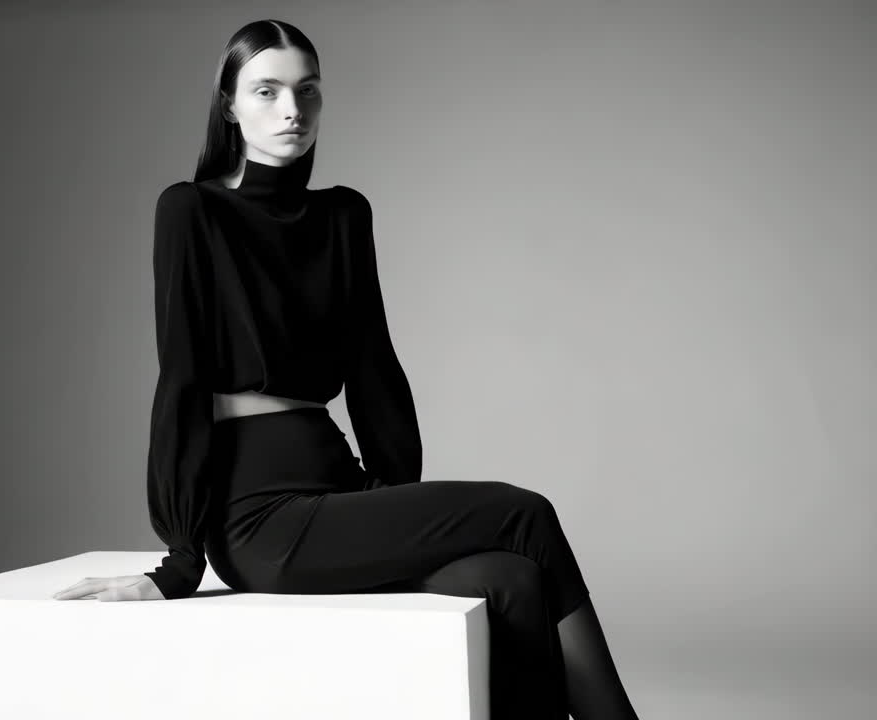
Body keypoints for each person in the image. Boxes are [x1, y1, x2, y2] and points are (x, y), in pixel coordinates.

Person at [52, 18, 641, 720]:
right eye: (266, 92)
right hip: (258, 517)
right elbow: (179, 380)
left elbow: (374, 372)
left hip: (341, 492)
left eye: (307, 92)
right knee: (526, 514)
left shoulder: (342, 217)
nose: (291, 111)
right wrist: (181, 560)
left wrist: (394, 500)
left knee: (511, 578)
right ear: (229, 105)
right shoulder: (191, 212)